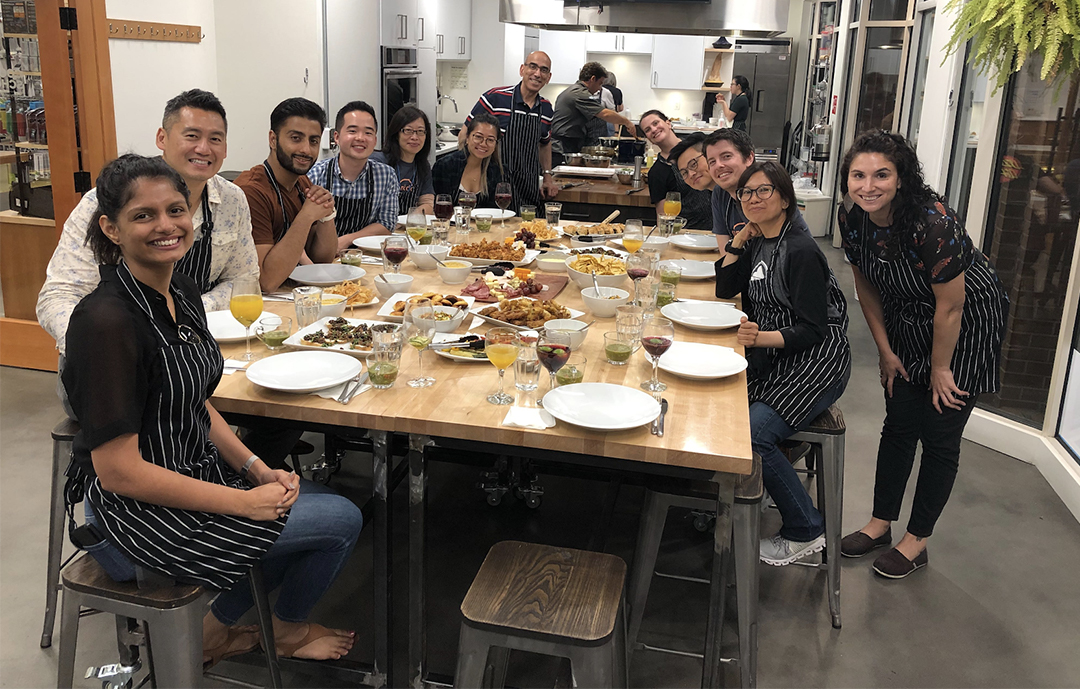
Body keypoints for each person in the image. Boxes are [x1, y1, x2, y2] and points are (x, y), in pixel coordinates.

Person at [64, 154, 363, 664]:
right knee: (341, 519)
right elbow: (117, 473)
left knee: (304, 505)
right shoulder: (105, 323)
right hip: (138, 512)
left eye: (176, 210)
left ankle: (216, 627)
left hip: (194, 474)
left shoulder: (180, 288)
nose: (166, 226)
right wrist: (244, 503)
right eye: (144, 216)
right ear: (111, 229)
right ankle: (273, 630)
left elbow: (195, 401)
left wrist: (255, 467)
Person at [837, 131, 1008, 579]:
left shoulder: (932, 223)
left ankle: (917, 540)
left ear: (901, 178)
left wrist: (939, 368)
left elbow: (951, 306)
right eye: (859, 175)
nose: (868, 186)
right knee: (897, 424)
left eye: (881, 175)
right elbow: (865, 287)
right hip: (907, 316)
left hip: (964, 327)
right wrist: (885, 351)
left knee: (938, 431)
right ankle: (879, 524)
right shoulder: (852, 218)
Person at [38, 88, 258, 367]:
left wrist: (183, 318)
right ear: (162, 138)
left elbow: (244, 282)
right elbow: (58, 296)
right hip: (115, 361)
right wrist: (108, 348)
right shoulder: (104, 202)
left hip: (202, 351)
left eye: (215, 139)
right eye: (191, 136)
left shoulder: (231, 199)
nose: (204, 148)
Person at [715, 161, 851, 565]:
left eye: (763, 191)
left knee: (753, 432)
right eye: (746, 193)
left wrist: (760, 339)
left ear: (785, 198)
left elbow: (814, 329)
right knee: (726, 408)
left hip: (818, 358)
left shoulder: (801, 250)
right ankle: (758, 486)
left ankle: (806, 528)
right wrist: (739, 240)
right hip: (777, 353)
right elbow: (725, 288)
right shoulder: (759, 241)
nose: (753, 199)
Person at [235, 97, 337, 293]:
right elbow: (267, 281)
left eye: (313, 141)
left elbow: (321, 261)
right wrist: (306, 216)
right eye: (295, 138)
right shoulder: (252, 191)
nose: (306, 149)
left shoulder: (301, 182)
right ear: (273, 139)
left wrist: (327, 214)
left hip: (297, 294)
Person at [463, 51, 558, 208]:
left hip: (528, 189)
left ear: (548, 77)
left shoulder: (546, 108)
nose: (537, 73)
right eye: (532, 67)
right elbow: (465, 135)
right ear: (522, 70)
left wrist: (547, 177)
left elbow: (544, 143)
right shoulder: (494, 98)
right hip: (493, 189)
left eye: (544, 70)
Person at [701, 128, 811, 254]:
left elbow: (795, 254)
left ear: (749, 158)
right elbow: (726, 254)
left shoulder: (769, 193)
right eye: (712, 162)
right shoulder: (720, 193)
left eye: (726, 156)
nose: (719, 165)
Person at [308, 101, 397, 249]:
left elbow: (386, 224)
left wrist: (347, 239)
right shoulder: (316, 175)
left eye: (368, 133)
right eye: (352, 131)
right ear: (336, 137)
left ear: (375, 140)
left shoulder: (386, 175)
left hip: (365, 256)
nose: (360, 138)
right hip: (322, 259)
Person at [639, 110, 712, 230]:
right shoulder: (657, 172)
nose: (653, 129)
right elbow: (663, 219)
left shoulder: (697, 146)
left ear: (668, 123)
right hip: (687, 234)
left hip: (720, 228)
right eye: (647, 130)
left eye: (656, 123)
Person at [550, 62, 637, 162]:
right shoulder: (579, 93)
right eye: (600, 83)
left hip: (566, 144)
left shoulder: (573, 90)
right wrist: (627, 122)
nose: (600, 88)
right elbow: (605, 114)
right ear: (592, 79)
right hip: (562, 146)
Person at [433, 113, 507, 208]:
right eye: (478, 137)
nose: (483, 144)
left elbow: (494, 211)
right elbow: (437, 207)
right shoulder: (446, 165)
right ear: (467, 138)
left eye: (490, 140)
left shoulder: (495, 171)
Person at [371, 106, 434, 216]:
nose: (414, 137)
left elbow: (428, 204)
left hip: (409, 228)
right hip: (380, 228)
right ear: (396, 134)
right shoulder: (378, 162)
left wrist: (408, 219)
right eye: (408, 131)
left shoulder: (422, 166)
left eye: (420, 131)